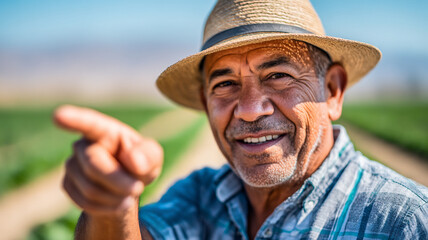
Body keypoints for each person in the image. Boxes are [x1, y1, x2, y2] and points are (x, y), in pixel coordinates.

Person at [53, 0, 428, 239]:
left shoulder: (403, 221)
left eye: (278, 75)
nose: (249, 109)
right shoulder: (200, 198)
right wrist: (112, 205)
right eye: (226, 83)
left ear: (332, 90)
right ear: (205, 101)